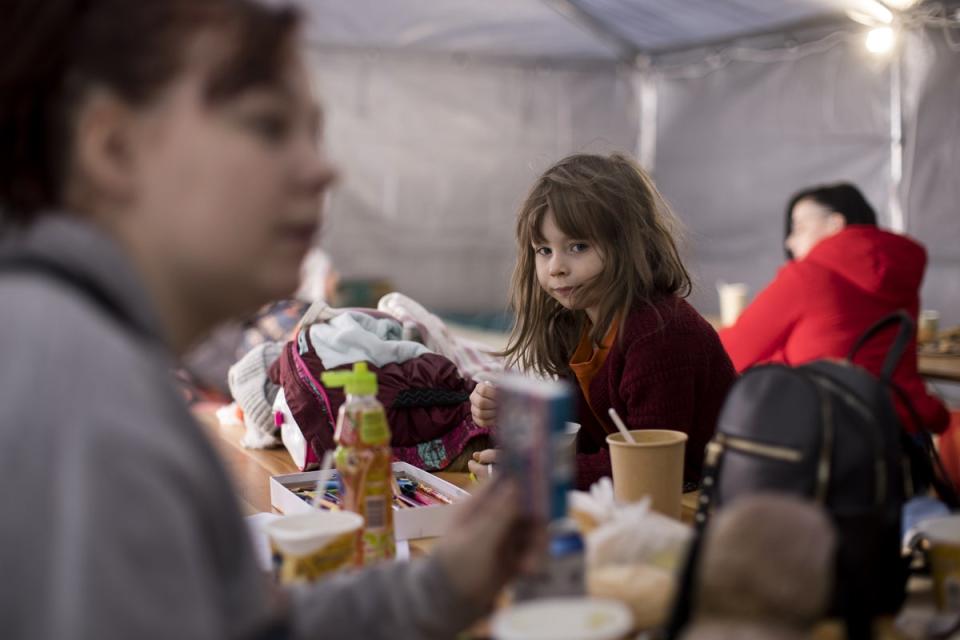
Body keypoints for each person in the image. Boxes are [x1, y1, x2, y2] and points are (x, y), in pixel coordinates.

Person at [0, 2, 537, 639]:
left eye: (313, 131)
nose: (323, 168)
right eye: (267, 125)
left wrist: (441, 587)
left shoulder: (78, 356)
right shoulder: (83, 397)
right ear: (113, 147)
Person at [468, 153, 737, 490]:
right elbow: (582, 443)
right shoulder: (576, 326)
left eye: (577, 246)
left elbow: (648, 465)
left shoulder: (661, 335)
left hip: (698, 502)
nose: (556, 268)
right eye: (543, 250)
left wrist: (534, 473)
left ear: (629, 244)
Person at [718, 182, 949, 433]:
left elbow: (728, 354)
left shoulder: (807, 276)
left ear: (835, 224)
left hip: (826, 434)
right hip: (901, 427)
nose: (790, 242)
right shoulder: (901, 275)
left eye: (799, 227)